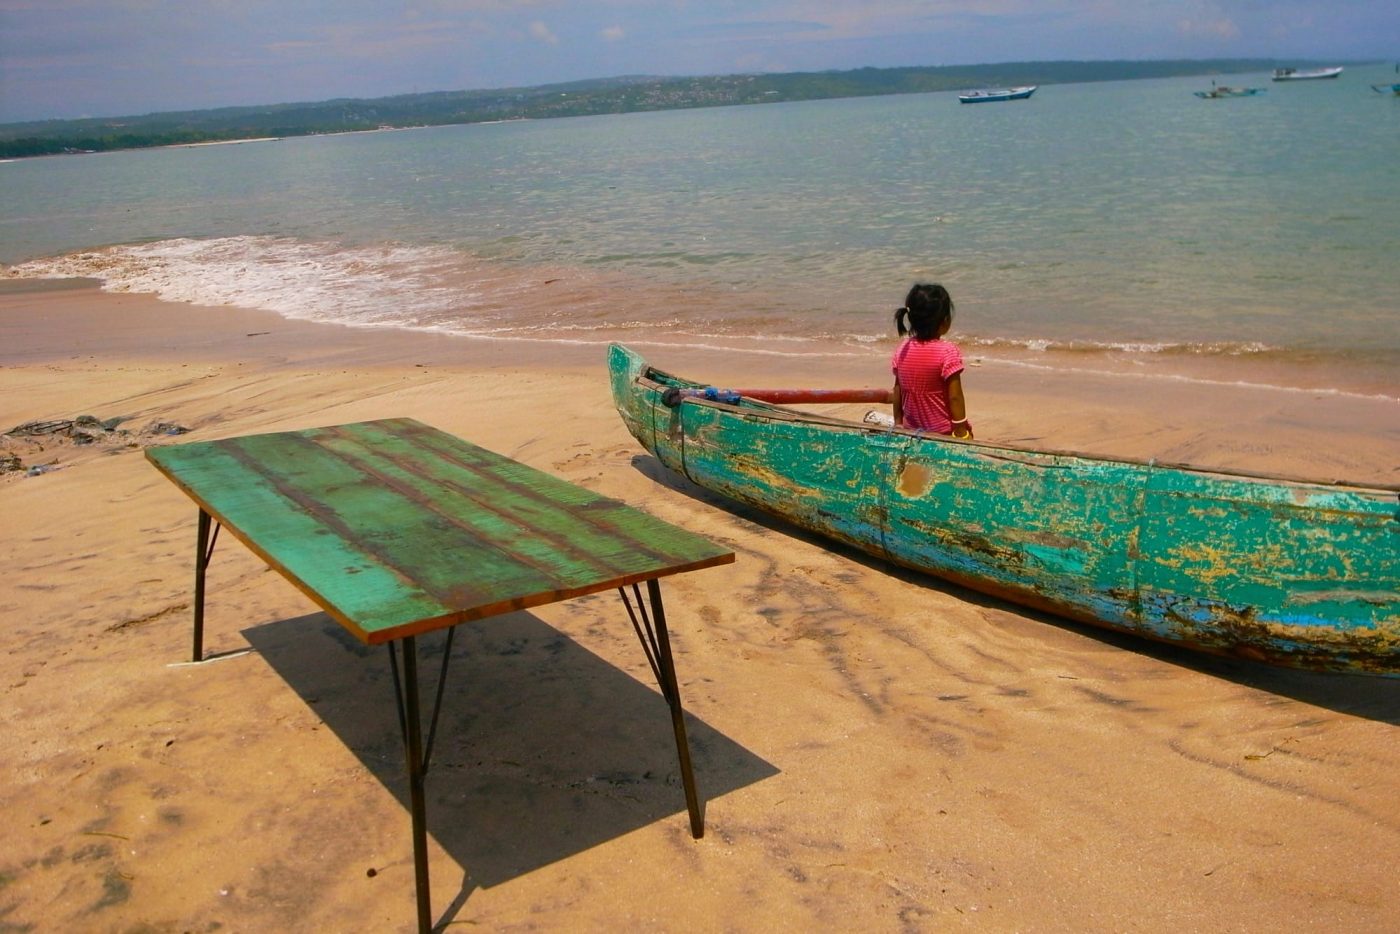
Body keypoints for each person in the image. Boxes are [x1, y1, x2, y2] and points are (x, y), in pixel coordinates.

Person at [891, 283, 972, 438]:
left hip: (911, 430)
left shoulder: (903, 348)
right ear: (945, 321)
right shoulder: (947, 352)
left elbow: (897, 390)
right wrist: (961, 431)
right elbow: (955, 397)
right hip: (943, 432)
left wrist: (898, 423)